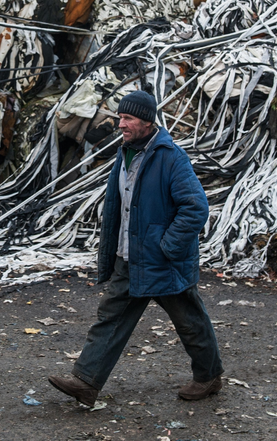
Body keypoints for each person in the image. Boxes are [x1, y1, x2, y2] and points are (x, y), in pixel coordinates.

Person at [48, 90, 223, 407]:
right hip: (129, 258)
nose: (120, 124)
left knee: (189, 321)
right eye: (120, 117)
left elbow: (195, 208)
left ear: (146, 121)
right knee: (110, 318)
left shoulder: (171, 157)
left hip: (164, 261)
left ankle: (209, 376)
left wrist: (167, 246)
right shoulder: (125, 153)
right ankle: (86, 382)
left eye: (127, 118)